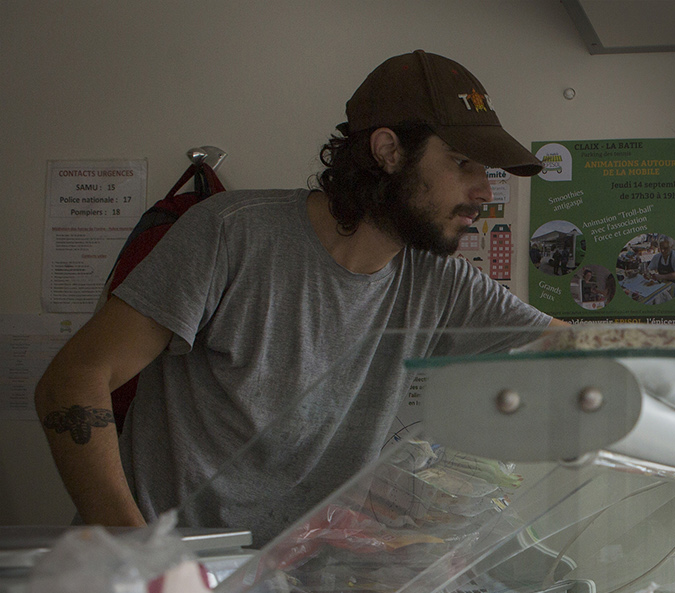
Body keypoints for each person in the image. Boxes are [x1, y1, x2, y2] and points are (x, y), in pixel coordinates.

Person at [35, 50, 560, 544]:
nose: (484, 191)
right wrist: (135, 552)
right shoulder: (231, 233)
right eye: (463, 162)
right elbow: (73, 381)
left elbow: (568, 346)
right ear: (388, 151)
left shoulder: (437, 278)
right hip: (164, 572)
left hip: (284, 589)